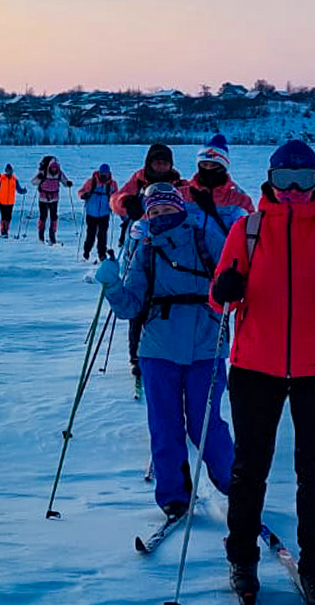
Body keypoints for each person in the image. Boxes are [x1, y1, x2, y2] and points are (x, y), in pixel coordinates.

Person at [208, 140, 315, 605]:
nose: (295, 190)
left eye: (304, 179)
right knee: (249, 469)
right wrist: (224, 290)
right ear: (270, 181)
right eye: (284, 180)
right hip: (254, 366)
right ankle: (242, 559)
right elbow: (219, 302)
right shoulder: (248, 230)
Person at [98, 182, 233, 516]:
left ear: (180, 207)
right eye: (154, 211)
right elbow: (130, 308)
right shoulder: (143, 247)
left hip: (206, 344)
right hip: (157, 348)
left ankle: (236, 484)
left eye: (166, 209)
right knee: (164, 423)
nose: (160, 216)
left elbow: (232, 278)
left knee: (205, 423)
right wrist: (112, 284)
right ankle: (173, 495)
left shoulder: (205, 235)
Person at [115, 144, 185, 388]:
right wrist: (127, 204)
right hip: (139, 243)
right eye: (157, 162)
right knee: (139, 303)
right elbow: (116, 201)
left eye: (165, 162)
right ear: (149, 163)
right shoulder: (138, 180)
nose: (161, 166)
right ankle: (136, 356)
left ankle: (170, 351)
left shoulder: (180, 184)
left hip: (170, 250)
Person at [180, 134, 255, 230]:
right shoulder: (183, 194)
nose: (208, 169)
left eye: (214, 165)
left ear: (224, 167)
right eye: (204, 164)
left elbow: (250, 232)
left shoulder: (240, 199)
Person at [78, 163, 116, 261]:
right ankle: (86, 252)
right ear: (99, 173)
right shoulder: (91, 182)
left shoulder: (112, 184)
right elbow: (81, 192)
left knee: (102, 235)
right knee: (91, 234)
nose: (103, 176)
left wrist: (114, 205)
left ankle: (102, 255)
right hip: (91, 213)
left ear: (109, 173)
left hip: (104, 213)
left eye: (105, 174)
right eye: (102, 173)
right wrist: (84, 195)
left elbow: (116, 196)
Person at [34, 156, 73, 245]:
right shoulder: (43, 172)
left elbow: (64, 181)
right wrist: (39, 178)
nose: (54, 170)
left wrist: (68, 183)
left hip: (54, 199)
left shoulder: (59, 173)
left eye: (55, 168)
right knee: (43, 217)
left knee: (54, 217)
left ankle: (52, 236)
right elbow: (33, 182)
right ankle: (41, 236)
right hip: (43, 198)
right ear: (49, 167)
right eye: (53, 168)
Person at [0, 163, 21, 237]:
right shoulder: (1, 178)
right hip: (2, 201)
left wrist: (23, 191)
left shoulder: (14, 179)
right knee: (4, 216)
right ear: (5, 171)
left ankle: (6, 230)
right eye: (7, 170)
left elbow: (18, 189)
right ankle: (3, 231)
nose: (9, 172)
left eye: (10, 170)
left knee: (9, 216)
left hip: (10, 201)